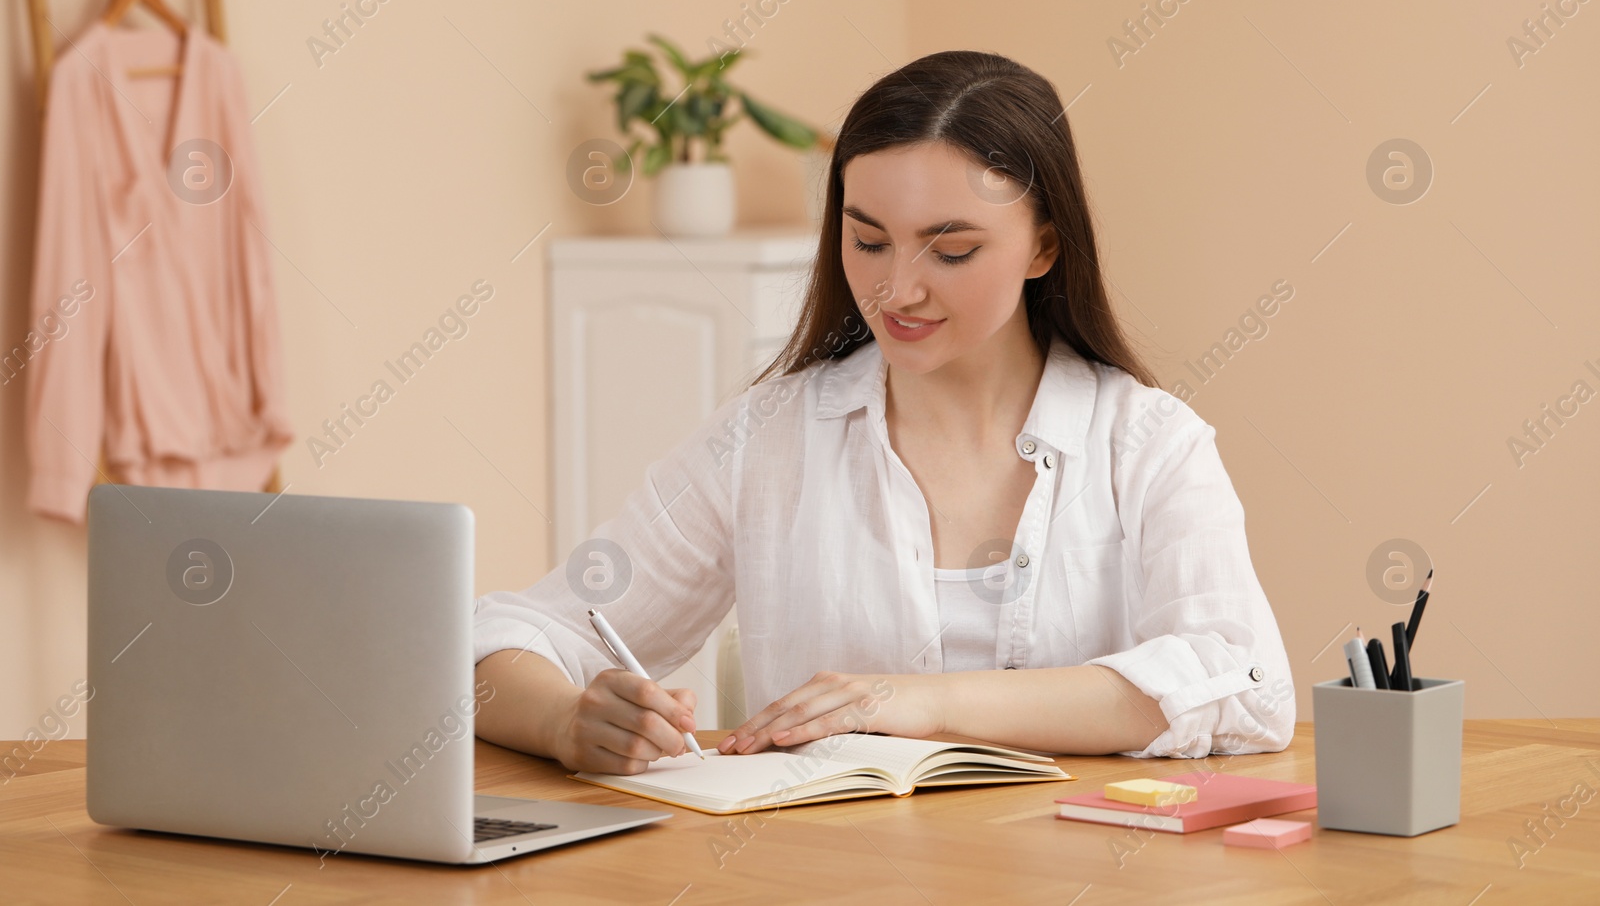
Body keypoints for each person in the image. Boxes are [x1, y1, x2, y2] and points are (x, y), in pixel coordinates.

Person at [474, 50, 1295, 774]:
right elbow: (500, 637)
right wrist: (562, 720)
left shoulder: (1149, 444)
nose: (896, 290)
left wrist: (922, 704)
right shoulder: (768, 437)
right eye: (868, 240)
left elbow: (1245, 685)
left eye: (953, 249)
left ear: (1044, 247)